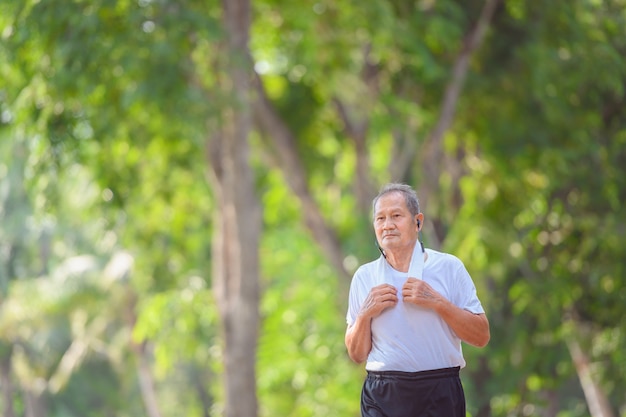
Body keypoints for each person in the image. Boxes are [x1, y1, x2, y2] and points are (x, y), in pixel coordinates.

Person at [345, 183, 490, 417]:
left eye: (396, 216)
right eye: (380, 218)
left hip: (439, 391)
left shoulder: (448, 267)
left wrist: (438, 302)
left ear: (418, 221)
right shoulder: (365, 276)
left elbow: (481, 336)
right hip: (382, 394)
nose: (387, 225)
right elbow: (356, 354)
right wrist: (364, 315)